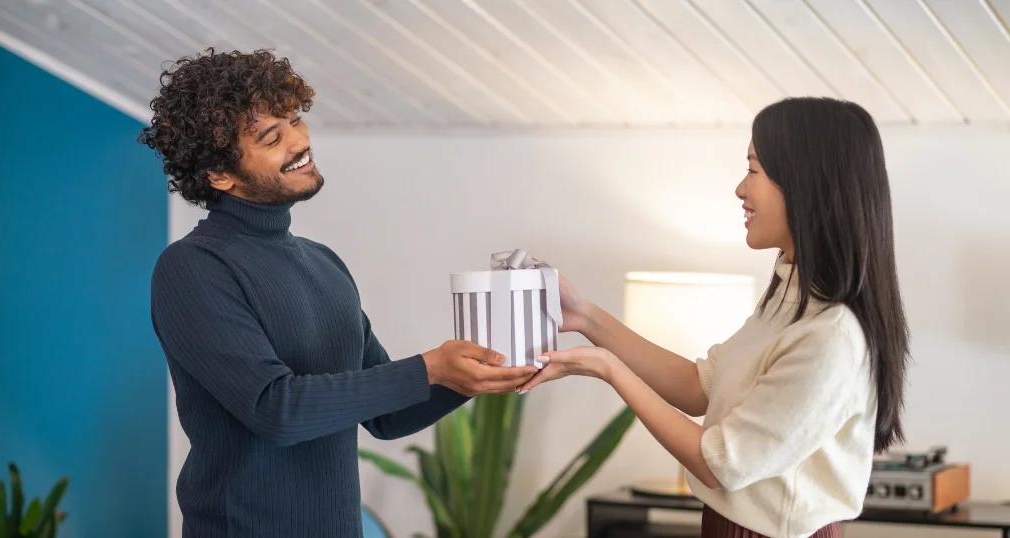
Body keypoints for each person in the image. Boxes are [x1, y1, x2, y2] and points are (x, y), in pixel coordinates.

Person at [140, 49, 537, 537]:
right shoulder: (193, 268)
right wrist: (430, 367)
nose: (300, 140)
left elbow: (388, 414)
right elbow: (275, 409)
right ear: (220, 175)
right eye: (272, 136)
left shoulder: (322, 262)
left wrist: (488, 364)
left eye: (295, 119)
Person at [519, 97, 909, 538]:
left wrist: (607, 368)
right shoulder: (789, 297)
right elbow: (696, 387)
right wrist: (586, 316)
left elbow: (718, 464)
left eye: (754, 170)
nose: (740, 190)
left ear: (804, 184)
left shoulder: (831, 335)